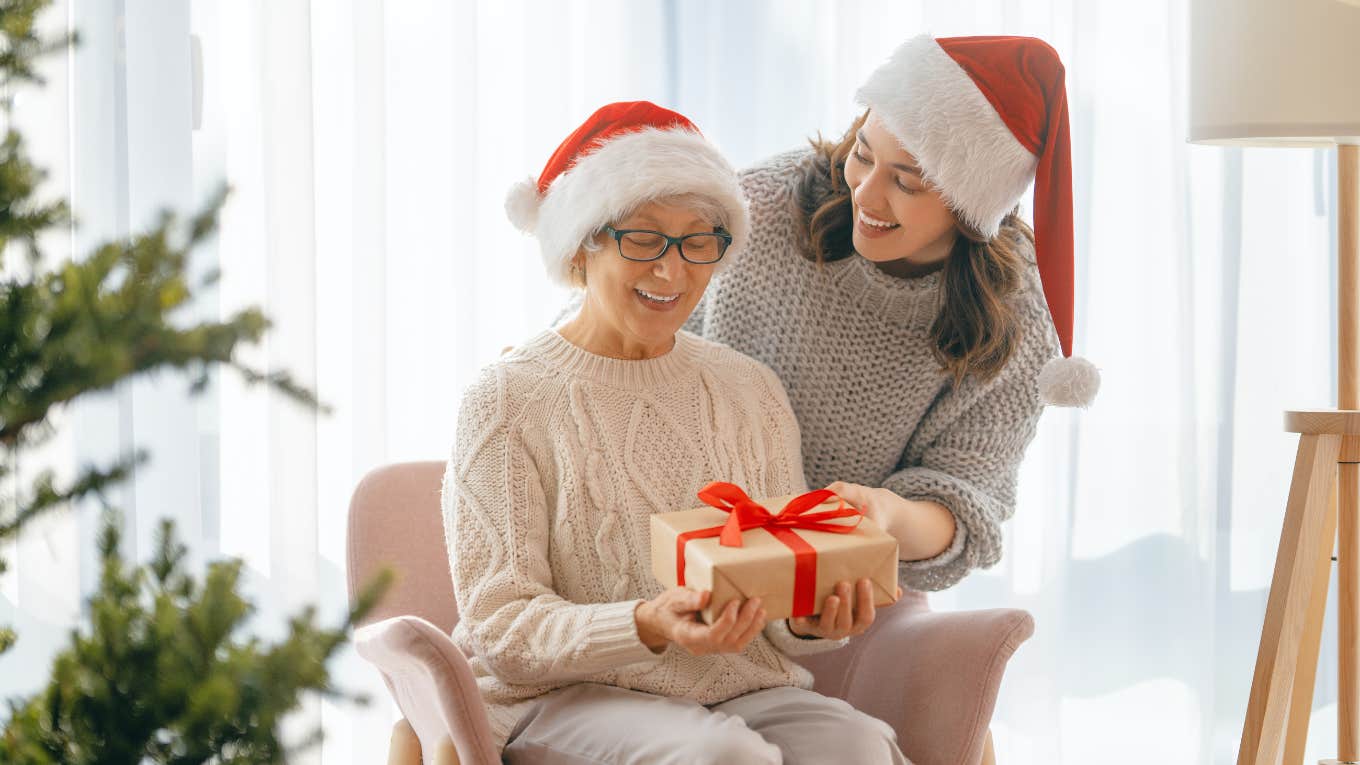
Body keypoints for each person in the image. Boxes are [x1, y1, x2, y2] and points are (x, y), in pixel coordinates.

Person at [446, 101, 910, 764]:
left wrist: (809, 620)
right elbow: (501, 624)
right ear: (582, 245)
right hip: (563, 698)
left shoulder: (750, 389)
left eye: (698, 241)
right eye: (643, 238)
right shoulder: (506, 399)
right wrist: (645, 623)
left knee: (859, 744)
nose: (672, 271)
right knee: (724, 756)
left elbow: (777, 593)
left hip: (739, 688)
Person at [682, 35, 1100, 594]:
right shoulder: (765, 203)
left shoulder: (1017, 313)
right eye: (862, 154)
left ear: (972, 206)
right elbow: (628, 314)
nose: (866, 196)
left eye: (906, 181)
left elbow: (967, 500)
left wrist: (886, 517)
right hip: (677, 524)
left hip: (834, 581)